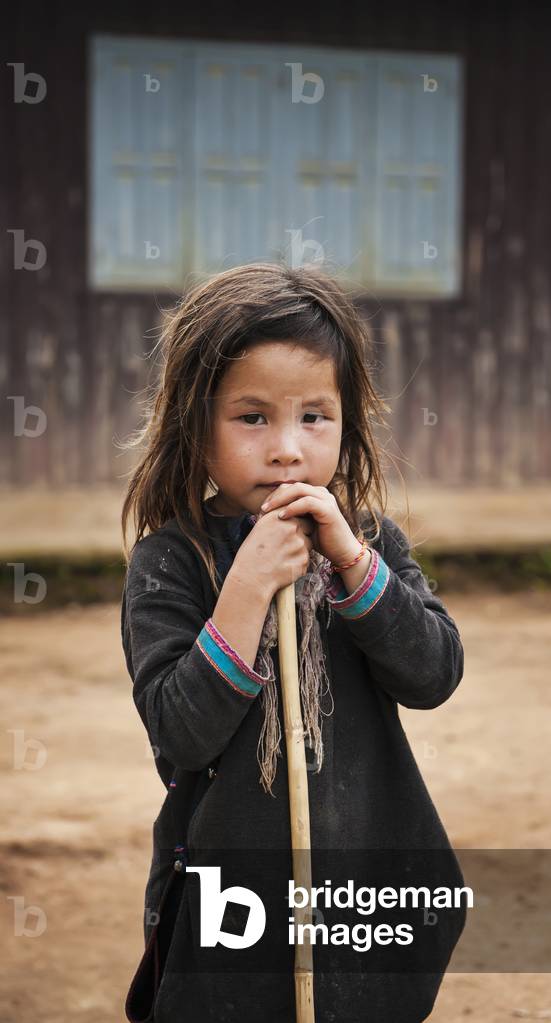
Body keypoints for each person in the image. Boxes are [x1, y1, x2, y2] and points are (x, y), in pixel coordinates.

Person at [120, 262, 467, 1023]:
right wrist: (244, 588)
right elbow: (181, 733)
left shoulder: (369, 541)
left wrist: (352, 564)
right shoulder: (172, 561)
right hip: (234, 889)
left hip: (365, 873)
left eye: (315, 416)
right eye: (252, 417)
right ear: (195, 428)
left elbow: (434, 672)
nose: (287, 449)